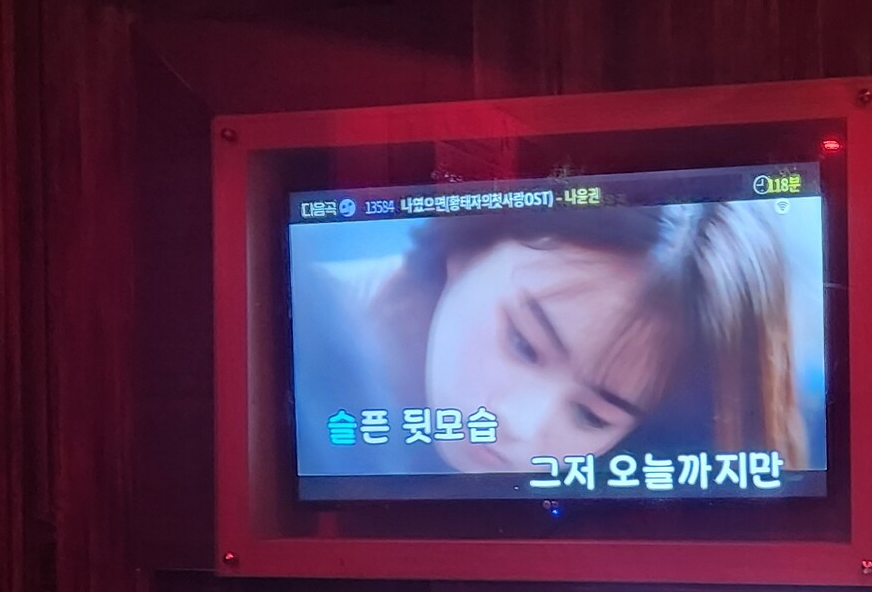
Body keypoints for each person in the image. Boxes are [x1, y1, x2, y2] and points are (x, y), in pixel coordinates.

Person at [295, 200, 809, 480]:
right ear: (472, 244)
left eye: (592, 416)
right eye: (524, 343)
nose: (519, 423)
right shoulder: (297, 331)